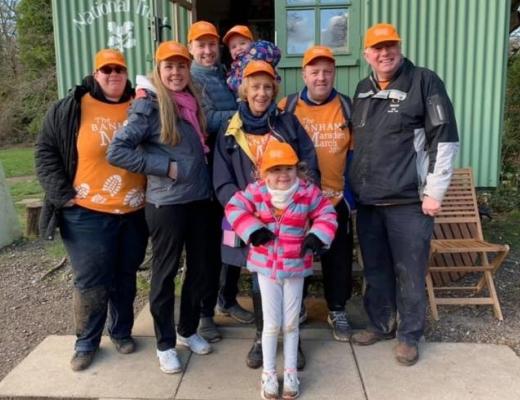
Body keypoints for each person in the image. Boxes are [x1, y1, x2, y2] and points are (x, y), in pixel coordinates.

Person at [349, 23, 460, 366]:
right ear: (367, 55)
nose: (385, 53)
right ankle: (381, 324)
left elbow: (444, 138)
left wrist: (434, 192)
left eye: (390, 46)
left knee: (409, 271)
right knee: (376, 270)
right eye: (377, 48)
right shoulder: (362, 89)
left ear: (399, 47)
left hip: (410, 203)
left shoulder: (424, 82)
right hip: (369, 203)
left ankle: (409, 335)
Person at [35, 49, 148, 371]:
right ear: (95, 74)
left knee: (126, 276)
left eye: (119, 69)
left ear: (127, 73)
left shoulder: (139, 106)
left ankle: (122, 331)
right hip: (86, 212)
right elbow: (45, 150)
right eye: (106, 70)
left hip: (133, 211)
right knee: (91, 280)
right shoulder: (71, 107)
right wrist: (60, 193)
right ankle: (86, 342)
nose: (113, 75)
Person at [107, 41, 214, 374]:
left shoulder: (193, 101)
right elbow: (117, 151)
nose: (176, 72)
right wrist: (163, 166)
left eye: (181, 65)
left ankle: (187, 330)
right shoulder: (148, 106)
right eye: (169, 66)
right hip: (167, 204)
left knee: (199, 271)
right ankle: (165, 344)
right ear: (158, 70)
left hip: (199, 200)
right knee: (165, 275)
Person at [213, 60, 319, 371]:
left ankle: (292, 340)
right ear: (244, 89)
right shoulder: (229, 129)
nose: (261, 93)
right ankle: (262, 337)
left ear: (275, 90)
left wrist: (305, 203)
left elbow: (308, 163)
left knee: (295, 276)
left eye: (267, 87)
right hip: (250, 220)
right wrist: (245, 217)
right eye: (255, 87)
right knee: (260, 283)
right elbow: (221, 179)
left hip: (291, 217)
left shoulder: (288, 124)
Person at [225, 141, 337, 400]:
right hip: (266, 269)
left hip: (295, 266)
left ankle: (290, 373)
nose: (283, 175)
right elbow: (233, 207)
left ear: (297, 170)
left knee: (291, 323)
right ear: (264, 173)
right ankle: (268, 373)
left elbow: (327, 214)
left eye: (288, 168)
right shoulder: (256, 192)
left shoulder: (307, 193)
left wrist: (316, 236)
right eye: (275, 170)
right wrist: (253, 229)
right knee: (271, 324)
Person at [278, 45, 354, 342]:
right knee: (299, 257)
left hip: (335, 199)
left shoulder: (347, 107)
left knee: (338, 259)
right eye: (314, 71)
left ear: (334, 73)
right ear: (304, 74)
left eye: (326, 71)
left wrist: (350, 196)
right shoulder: (288, 106)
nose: (321, 77)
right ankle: (298, 308)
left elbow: (355, 155)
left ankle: (337, 309)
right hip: (298, 201)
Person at [187, 20, 254, 343]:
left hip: (232, 168)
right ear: (191, 49)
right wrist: (246, 113)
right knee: (209, 247)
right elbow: (206, 119)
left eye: (212, 44)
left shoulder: (226, 74)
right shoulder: (193, 80)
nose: (207, 50)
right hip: (208, 172)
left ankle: (227, 299)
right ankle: (204, 314)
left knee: (234, 239)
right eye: (201, 45)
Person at [222, 24, 281, 93]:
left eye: (242, 43)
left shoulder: (258, 53)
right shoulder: (235, 66)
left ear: (252, 43)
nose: (238, 48)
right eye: (233, 47)